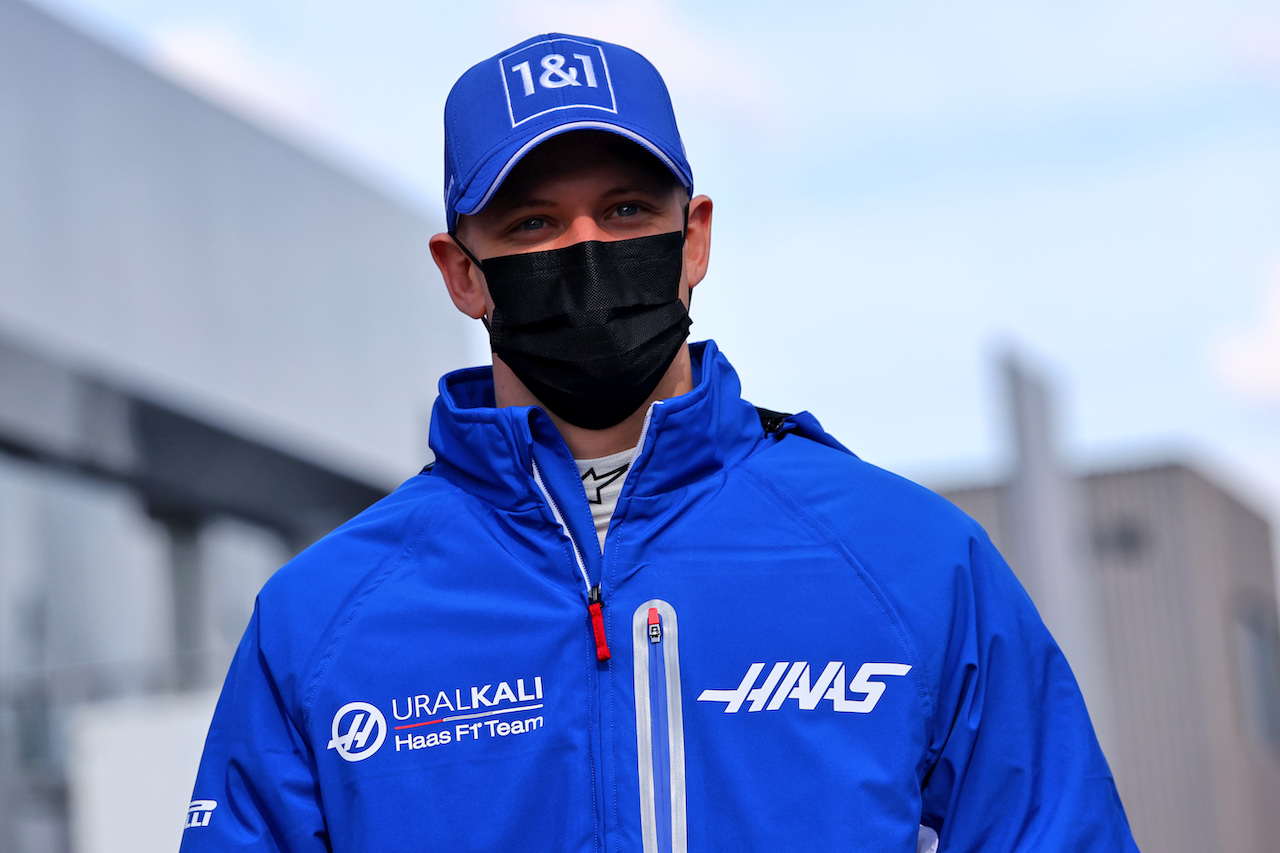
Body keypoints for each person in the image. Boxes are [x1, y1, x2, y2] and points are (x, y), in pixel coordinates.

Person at [181, 32, 1138, 852]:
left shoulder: (912, 562)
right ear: (462, 273)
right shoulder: (323, 621)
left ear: (695, 239)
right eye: (534, 222)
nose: (588, 248)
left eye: (627, 210)